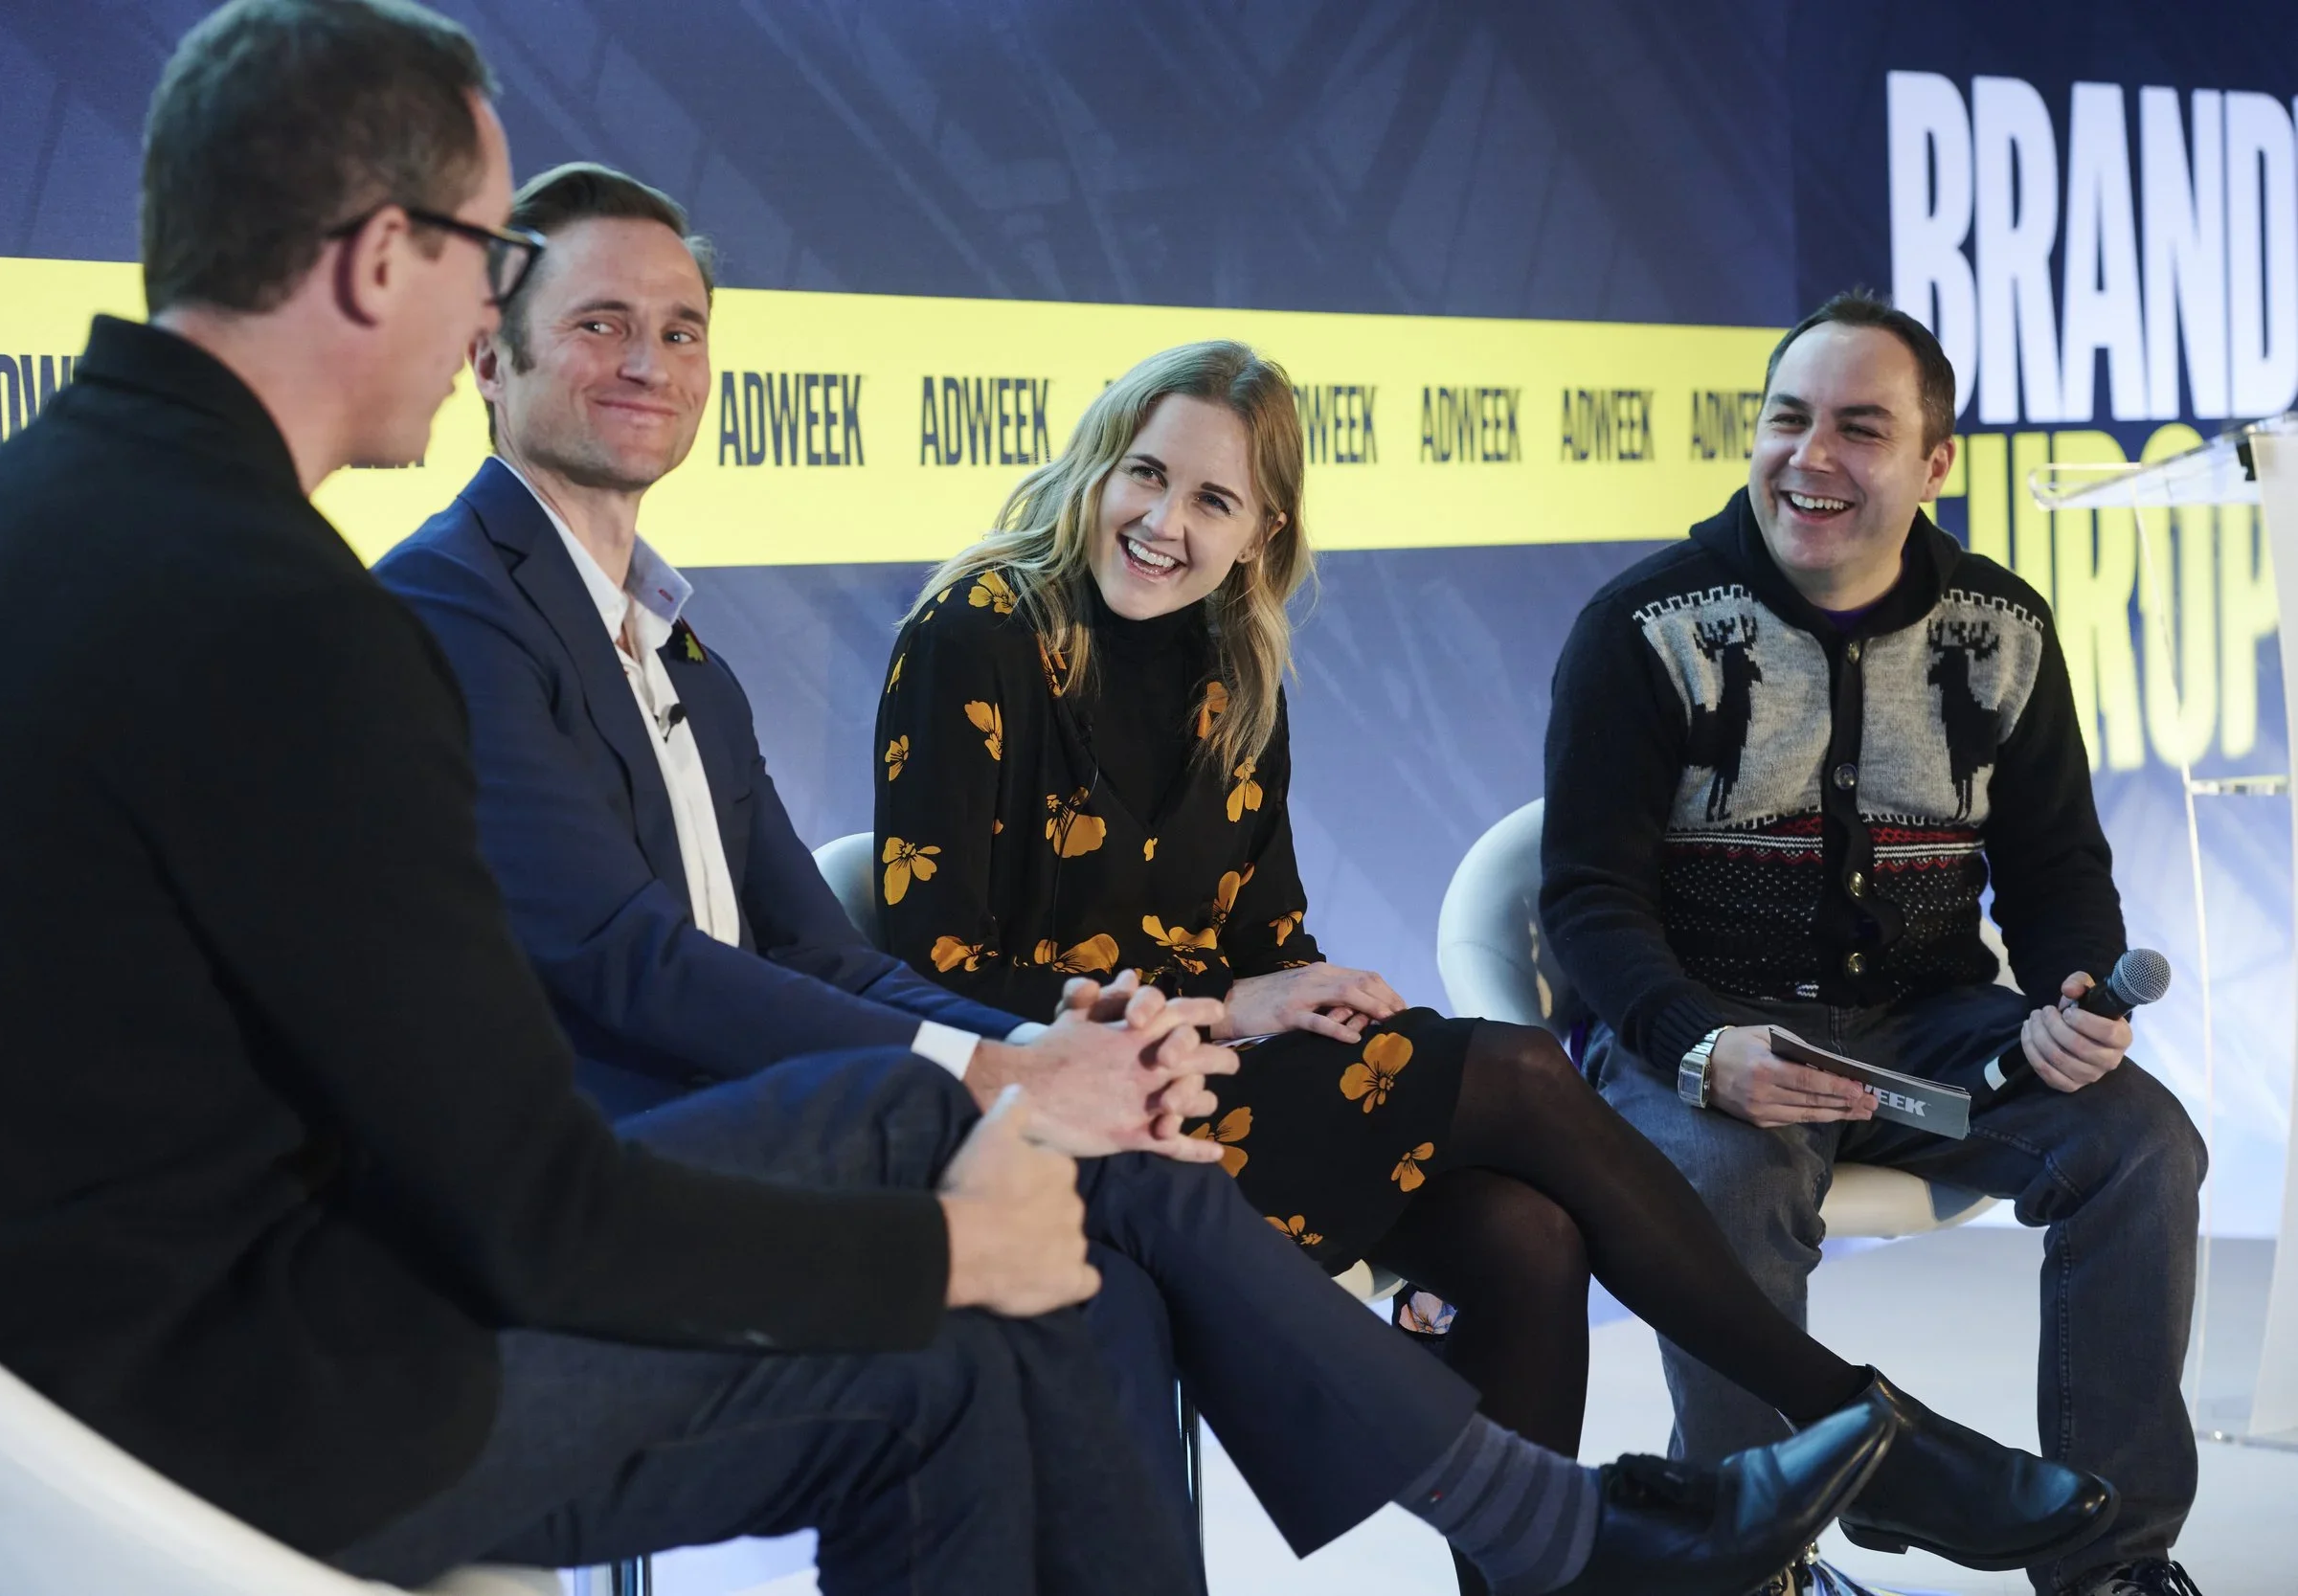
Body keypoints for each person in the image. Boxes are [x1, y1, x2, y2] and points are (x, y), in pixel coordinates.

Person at [371, 158, 1906, 1596]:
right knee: (1185, 1149)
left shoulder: (680, 652)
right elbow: (634, 968)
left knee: (1264, 1229)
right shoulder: (458, 605)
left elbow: (821, 956)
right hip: (627, 1150)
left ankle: (1605, 1521)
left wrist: (1067, 1060)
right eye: (598, 325)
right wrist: (1015, 1062)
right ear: (487, 360)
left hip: (851, 1101)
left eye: (680, 328)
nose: (648, 358)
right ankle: (1604, 1518)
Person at [0, 6, 1193, 1594]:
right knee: (953, 1352)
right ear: (384, 261)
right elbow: (532, 1214)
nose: (482, 319)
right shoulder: (307, 627)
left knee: (921, 1119)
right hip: (220, 1409)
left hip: (4, 1371)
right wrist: (948, 1248)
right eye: (484, 263)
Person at [875, 336, 2121, 1596]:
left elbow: (1263, 938)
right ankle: (1870, 1429)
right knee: (1522, 1072)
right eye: (1143, 474)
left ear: (1261, 533)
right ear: (1096, 465)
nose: (1162, 520)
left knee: (1525, 1234)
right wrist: (1232, 1001)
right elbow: (936, 967)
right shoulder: (979, 631)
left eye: (1213, 500)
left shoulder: (1233, 662)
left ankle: (1806, 1465)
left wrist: (1309, 989)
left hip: (1214, 1086)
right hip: (1055, 1111)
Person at [1541, 291, 2210, 1596]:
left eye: (1861, 427)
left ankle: (2112, 1558)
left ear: (1934, 461)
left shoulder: (2004, 629)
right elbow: (1585, 904)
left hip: (1927, 1029)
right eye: (1789, 419)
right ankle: (1758, 1562)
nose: (1814, 458)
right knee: (1724, 1183)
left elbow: (2059, 866)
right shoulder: (1641, 628)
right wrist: (1700, 1047)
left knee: (2145, 1145)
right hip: (1701, 1027)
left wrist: (2076, 991)